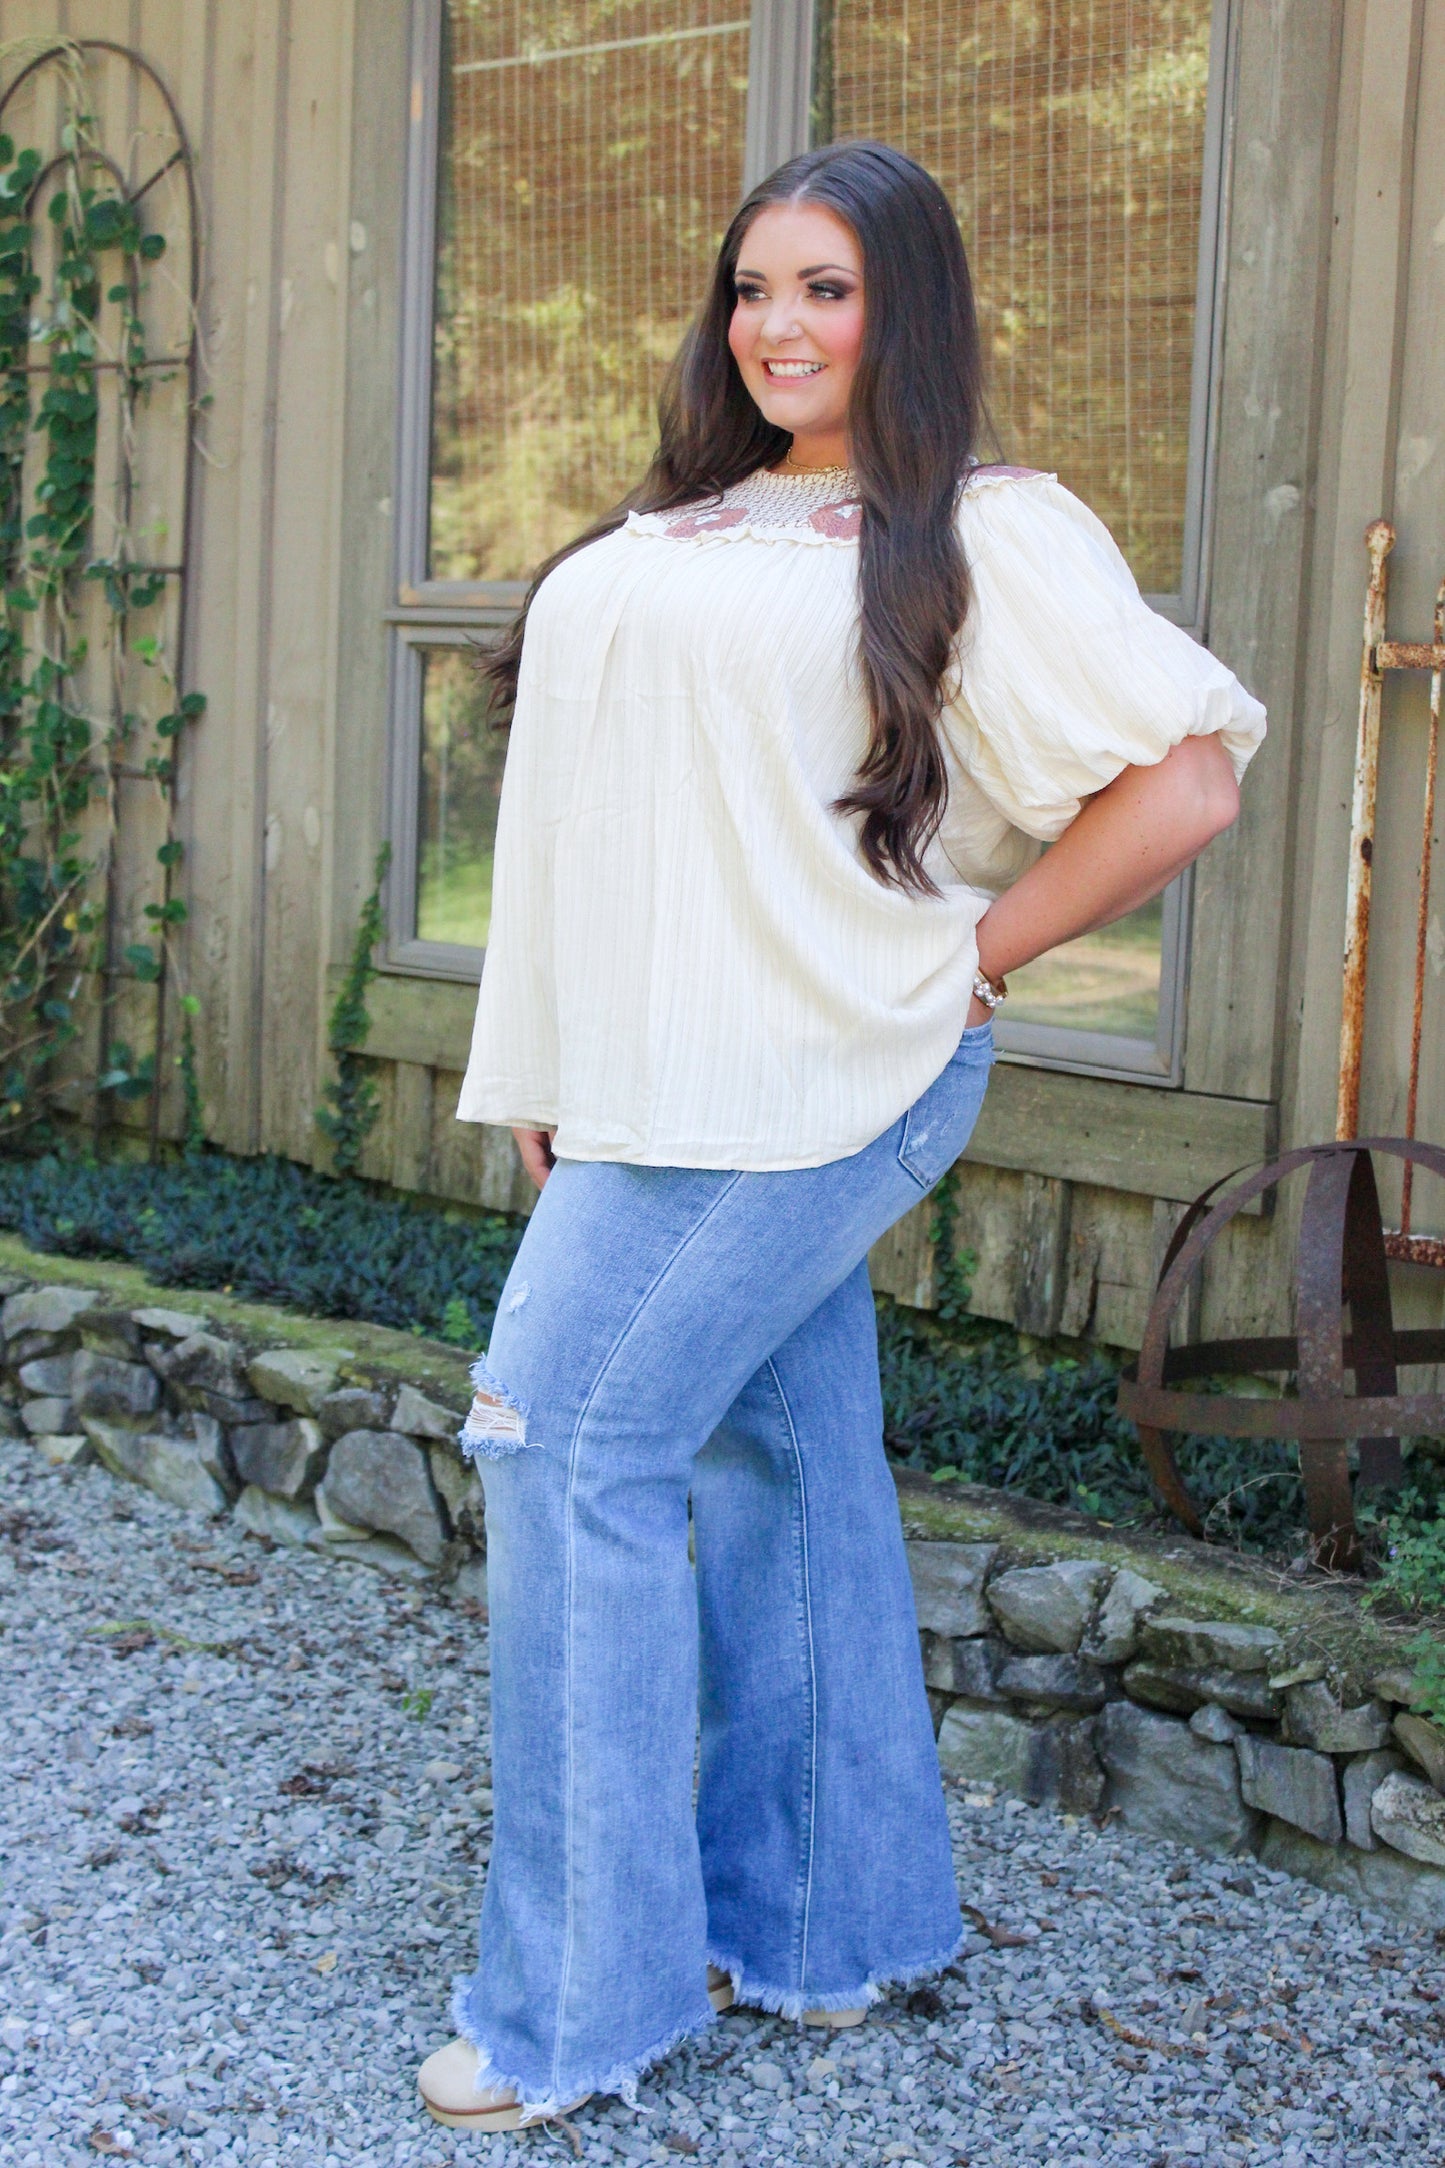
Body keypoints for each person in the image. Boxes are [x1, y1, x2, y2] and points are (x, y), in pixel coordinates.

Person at [417, 140, 1265, 2133]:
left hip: (842, 1064)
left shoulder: (983, 523)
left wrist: (978, 958)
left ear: (909, 308)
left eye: (828, 288)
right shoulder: (687, 522)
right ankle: (823, 1925)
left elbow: (1189, 782)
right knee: (779, 1462)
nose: (778, 326)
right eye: (752, 287)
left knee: (561, 1437)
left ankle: (574, 2004)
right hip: (661, 1079)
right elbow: (600, 817)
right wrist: (557, 1053)